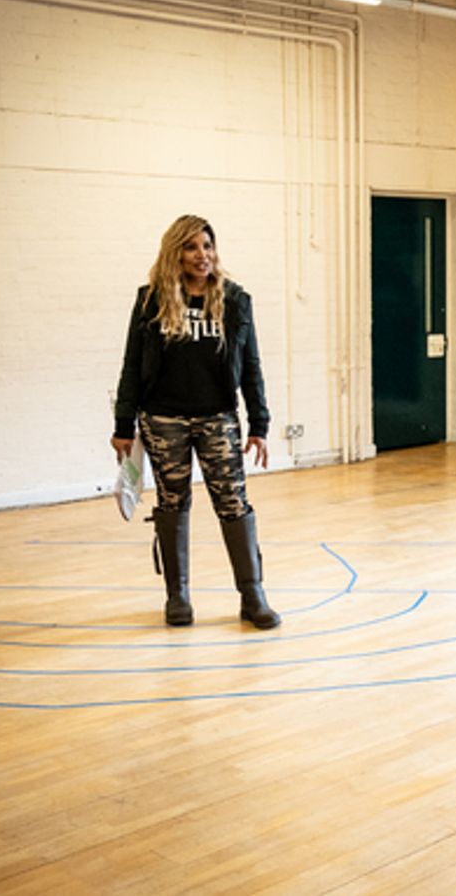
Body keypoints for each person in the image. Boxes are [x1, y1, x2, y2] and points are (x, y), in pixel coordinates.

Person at [111, 214, 280, 630]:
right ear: (175, 253)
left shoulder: (236, 301)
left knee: (233, 503)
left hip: (217, 418)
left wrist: (259, 424)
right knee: (172, 504)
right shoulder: (151, 301)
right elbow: (132, 363)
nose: (202, 255)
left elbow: (251, 366)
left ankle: (252, 595)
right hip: (162, 419)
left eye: (207, 246)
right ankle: (178, 596)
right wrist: (123, 425)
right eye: (191, 247)